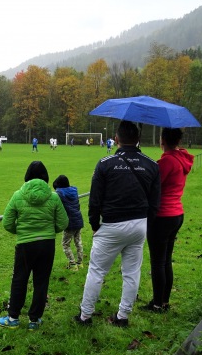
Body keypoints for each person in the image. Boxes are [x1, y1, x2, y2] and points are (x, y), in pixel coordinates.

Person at [75, 121, 160, 328]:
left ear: (116, 138)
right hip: (139, 225)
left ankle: (85, 315)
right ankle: (123, 316)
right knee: (131, 272)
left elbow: (95, 199)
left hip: (112, 226)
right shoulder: (151, 164)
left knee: (96, 272)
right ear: (138, 139)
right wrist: (144, 221)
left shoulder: (105, 163)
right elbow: (155, 202)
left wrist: (95, 224)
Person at [0, 161, 69, 331]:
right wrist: (50, 231)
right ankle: (34, 320)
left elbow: (7, 223)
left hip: (25, 245)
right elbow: (63, 222)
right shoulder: (53, 197)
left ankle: (13, 317)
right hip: (47, 245)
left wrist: (22, 232)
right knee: (41, 281)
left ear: (27, 176)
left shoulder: (18, 195)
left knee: (19, 279)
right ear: (45, 177)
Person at [145, 128, 194, 313]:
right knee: (165, 260)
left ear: (162, 140)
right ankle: (164, 301)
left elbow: (152, 185)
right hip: (176, 213)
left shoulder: (167, 161)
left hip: (162, 215)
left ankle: (157, 304)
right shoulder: (181, 158)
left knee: (158, 262)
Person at [53, 175, 84, 271]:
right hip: (78, 220)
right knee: (78, 242)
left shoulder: (60, 193)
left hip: (69, 223)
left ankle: (73, 264)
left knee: (65, 244)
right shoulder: (74, 191)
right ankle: (80, 262)